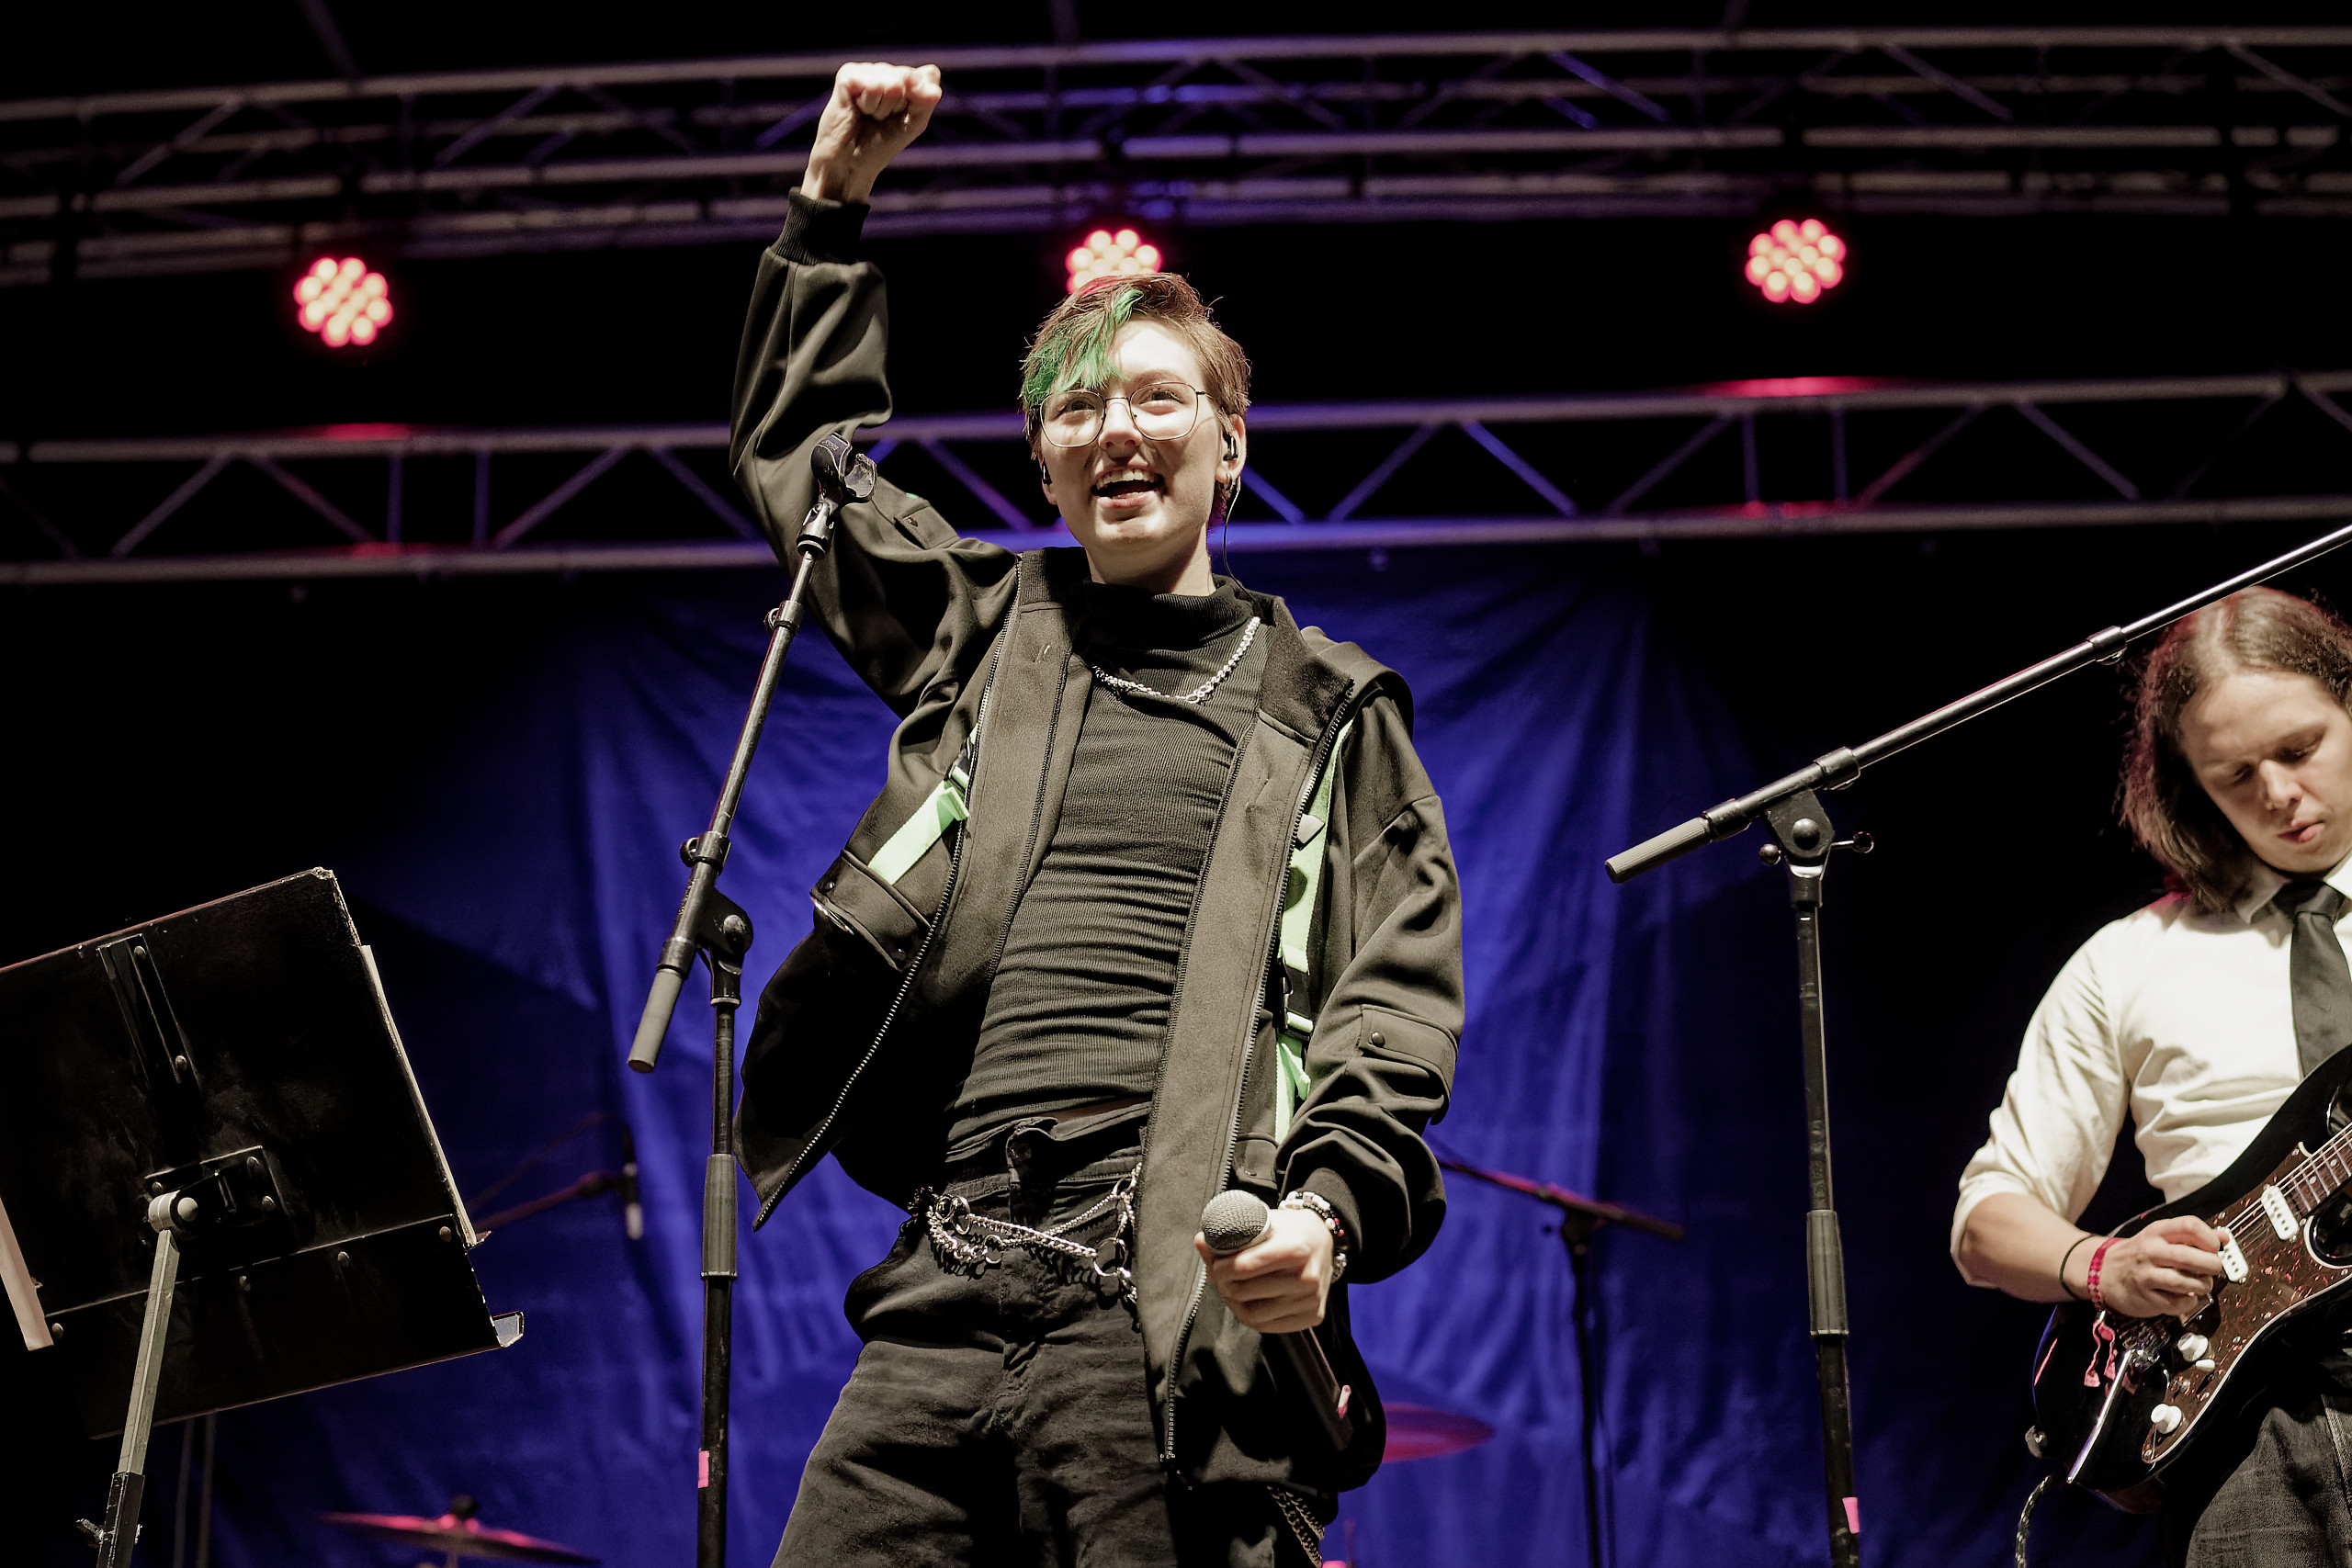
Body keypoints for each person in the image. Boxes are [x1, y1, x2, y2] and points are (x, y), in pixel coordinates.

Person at [725, 61, 1464, 1567]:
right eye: (1077, 406)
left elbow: (1389, 1008)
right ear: (1046, 463)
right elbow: (809, 471)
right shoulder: (994, 636)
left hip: (1158, 1301)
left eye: (1157, 397)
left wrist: (1327, 1213)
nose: (1114, 425)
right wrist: (830, 202)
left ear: (1229, 444)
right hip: (942, 1290)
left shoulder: (1328, 709)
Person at [1953, 585, 2352, 1563]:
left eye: (2300, 748)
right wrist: (2104, 1264)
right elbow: (1986, 1220)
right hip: (2247, 1434)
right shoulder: (2128, 961)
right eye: (2234, 774)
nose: (2277, 794)